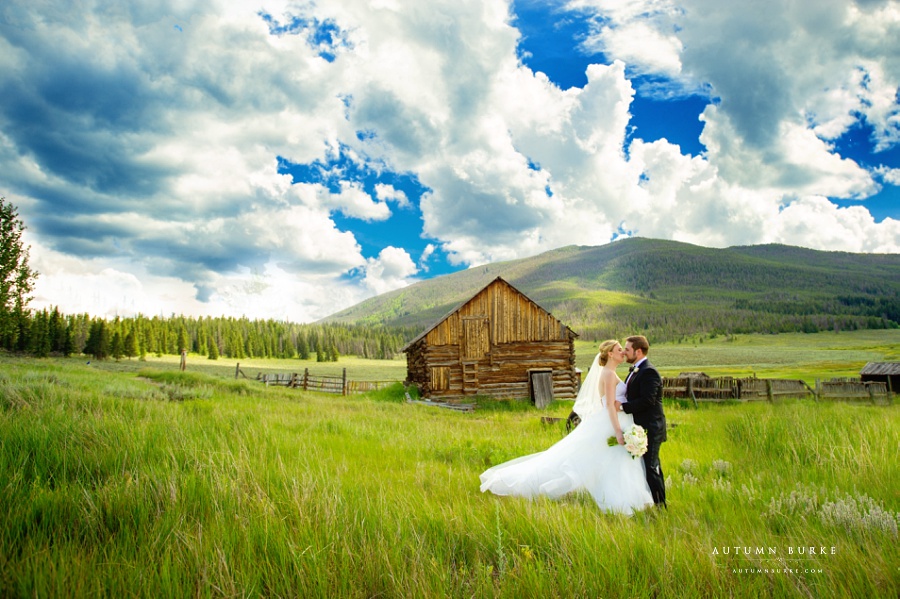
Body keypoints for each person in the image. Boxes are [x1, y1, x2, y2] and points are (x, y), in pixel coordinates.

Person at [479, 340, 654, 515]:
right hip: (612, 423)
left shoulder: (611, 372)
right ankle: (618, 502)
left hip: (617, 421)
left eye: (624, 349)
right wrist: (617, 431)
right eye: (619, 349)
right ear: (610, 354)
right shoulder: (608, 374)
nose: (623, 352)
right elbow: (609, 405)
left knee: (614, 463)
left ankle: (628, 499)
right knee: (597, 462)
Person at [616, 335, 667, 508]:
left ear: (638, 351)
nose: (624, 352)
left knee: (651, 468)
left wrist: (622, 407)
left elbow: (648, 401)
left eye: (627, 349)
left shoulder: (649, 371)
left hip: (651, 427)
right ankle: (651, 502)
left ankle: (661, 506)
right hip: (640, 427)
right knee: (646, 468)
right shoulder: (636, 370)